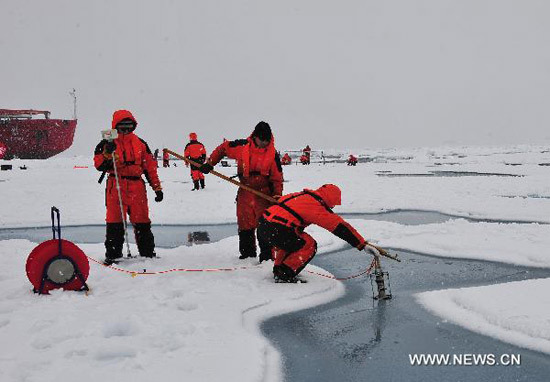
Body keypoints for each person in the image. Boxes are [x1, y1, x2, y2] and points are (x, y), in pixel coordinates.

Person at [200, 121, 283, 261]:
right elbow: (223, 148)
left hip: (264, 194)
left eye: (266, 140)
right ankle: (247, 256)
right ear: (255, 137)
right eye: (261, 140)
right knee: (245, 225)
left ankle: (267, 259)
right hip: (245, 191)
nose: (264, 143)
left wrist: (277, 196)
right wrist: (210, 163)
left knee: (265, 225)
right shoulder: (242, 146)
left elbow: (277, 178)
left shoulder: (273, 154)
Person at [94, 110, 164, 265]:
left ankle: (147, 254)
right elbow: (98, 164)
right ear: (115, 126)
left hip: (137, 186)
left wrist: (157, 188)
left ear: (133, 126)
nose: (125, 130)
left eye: (129, 126)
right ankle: (113, 255)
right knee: (115, 222)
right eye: (122, 127)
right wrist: (107, 154)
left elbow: (150, 168)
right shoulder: (106, 142)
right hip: (116, 184)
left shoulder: (140, 143)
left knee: (142, 221)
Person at [257, 184, 368, 282]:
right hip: (278, 229)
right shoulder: (315, 207)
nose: (331, 207)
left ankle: (279, 270)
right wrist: (360, 243)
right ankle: (285, 273)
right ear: (329, 199)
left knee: (292, 242)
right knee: (308, 245)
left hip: (263, 226)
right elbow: (339, 227)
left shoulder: (301, 196)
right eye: (332, 205)